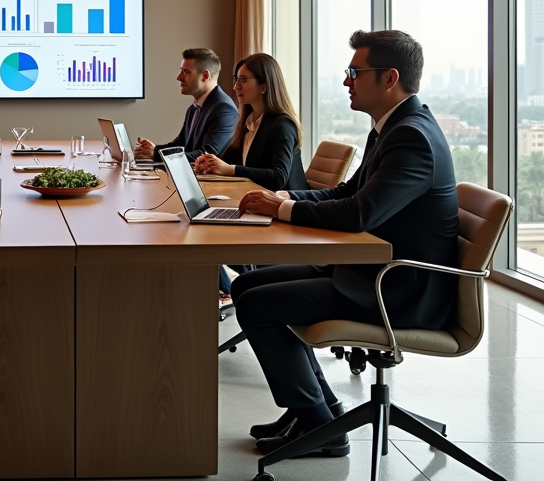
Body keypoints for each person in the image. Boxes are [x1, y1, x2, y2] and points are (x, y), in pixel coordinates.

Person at [233, 30, 459, 457]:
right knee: (246, 287)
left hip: (399, 289)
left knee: (254, 304)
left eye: (355, 72)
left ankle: (321, 426)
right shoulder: (391, 128)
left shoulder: (412, 137)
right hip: (371, 273)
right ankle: (317, 408)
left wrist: (281, 209)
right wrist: (284, 198)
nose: (346, 81)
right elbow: (347, 193)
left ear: (389, 78)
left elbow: (360, 214)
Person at [193, 53, 308, 306]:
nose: (236, 86)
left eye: (243, 80)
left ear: (265, 85)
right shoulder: (249, 121)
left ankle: (241, 292)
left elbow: (279, 177)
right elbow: (227, 161)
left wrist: (229, 169)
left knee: (208, 239)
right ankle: (236, 289)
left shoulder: (282, 124)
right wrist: (209, 164)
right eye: (236, 79)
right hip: (258, 209)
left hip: (282, 217)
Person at [134, 47, 238, 164]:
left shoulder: (224, 109)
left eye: (186, 72)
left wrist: (157, 154)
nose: (179, 77)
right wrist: (152, 149)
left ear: (204, 76)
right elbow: (181, 144)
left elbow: (206, 155)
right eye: (181, 70)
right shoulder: (194, 108)